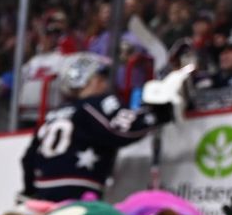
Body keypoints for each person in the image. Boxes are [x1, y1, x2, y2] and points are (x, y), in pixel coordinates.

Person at [21, 53, 189, 202]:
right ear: (88, 81)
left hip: (43, 194)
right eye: (100, 77)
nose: (105, 83)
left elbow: (28, 159)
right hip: (79, 192)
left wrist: (30, 191)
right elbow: (122, 129)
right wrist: (158, 113)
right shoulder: (96, 104)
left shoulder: (52, 115)